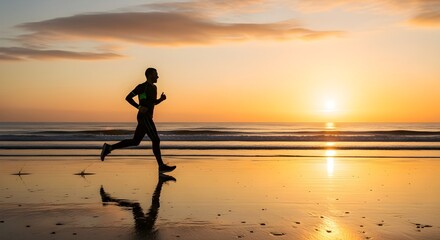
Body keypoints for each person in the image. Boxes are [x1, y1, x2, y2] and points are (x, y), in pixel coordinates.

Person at [100, 67, 176, 173]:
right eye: (156, 74)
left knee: (135, 141)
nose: (158, 76)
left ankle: (109, 148)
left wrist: (160, 100)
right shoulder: (142, 87)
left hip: (148, 117)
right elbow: (128, 98)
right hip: (144, 117)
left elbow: (152, 102)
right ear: (150, 75)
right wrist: (139, 107)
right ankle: (161, 166)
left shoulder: (154, 88)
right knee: (156, 140)